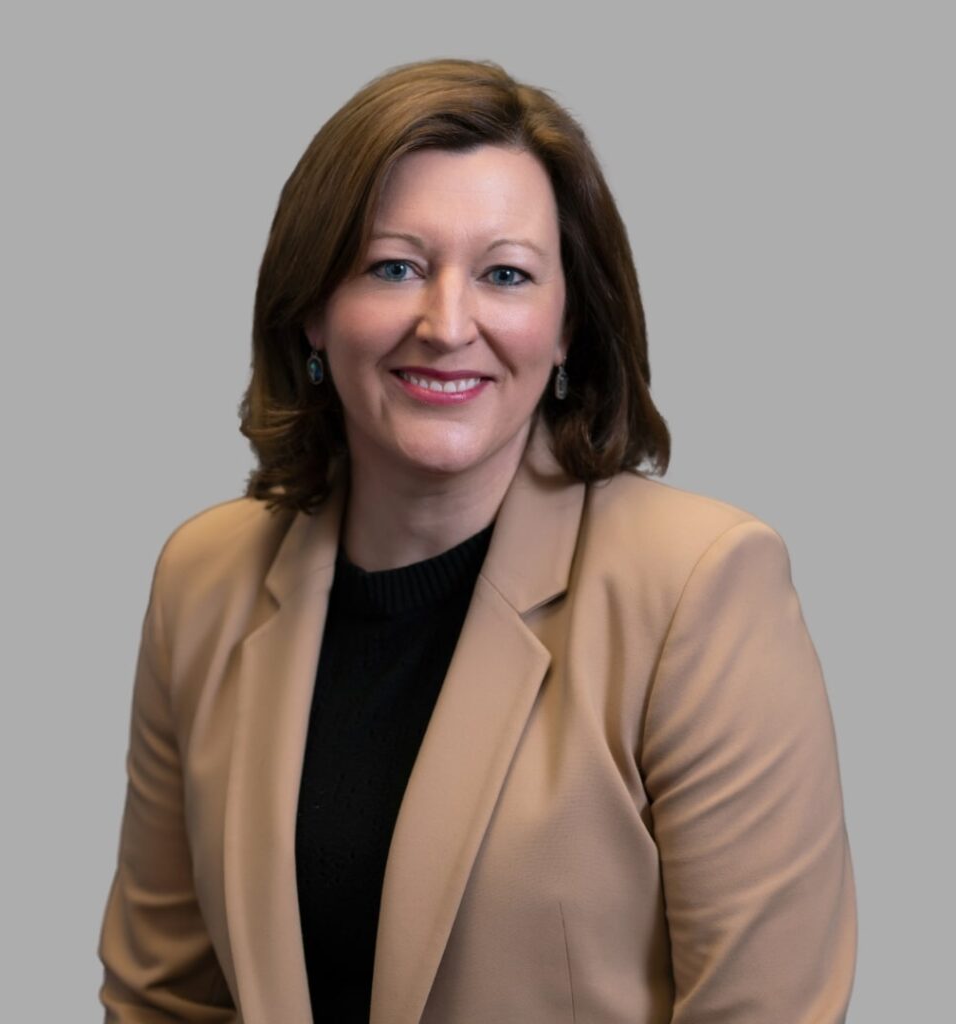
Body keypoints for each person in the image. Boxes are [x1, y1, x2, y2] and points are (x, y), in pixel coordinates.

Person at [99, 58, 857, 1023]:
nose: (446, 323)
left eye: (505, 274)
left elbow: (767, 1011)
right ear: (312, 314)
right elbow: (163, 997)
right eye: (394, 266)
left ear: (569, 324)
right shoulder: (203, 578)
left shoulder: (700, 589)